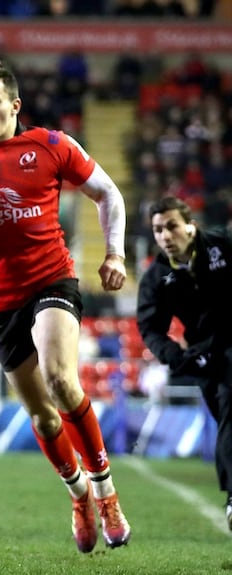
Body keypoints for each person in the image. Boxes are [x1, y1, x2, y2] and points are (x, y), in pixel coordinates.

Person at [0, 59, 131, 553]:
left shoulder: (52, 145)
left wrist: (116, 252)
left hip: (51, 279)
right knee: (42, 416)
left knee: (61, 380)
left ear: (14, 105)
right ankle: (78, 494)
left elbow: (108, 194)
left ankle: (106, 491)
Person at [136, 195, 232, 530]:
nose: (164, 236)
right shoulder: (156, 278)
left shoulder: (222, 244)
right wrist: (176, 357)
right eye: (158, 229)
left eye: (172, 226)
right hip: (204, 356)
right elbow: (150, 328)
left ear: (190, 226)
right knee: (224, 412)